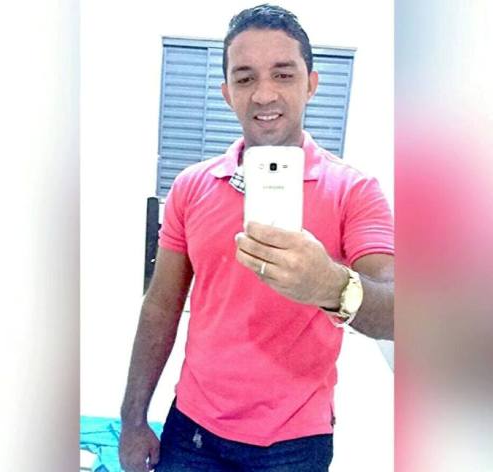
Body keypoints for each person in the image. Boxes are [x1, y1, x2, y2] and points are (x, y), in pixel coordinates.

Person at [119, 4, 394, 471]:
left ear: (311, 84)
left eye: (283, 75)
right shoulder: (191, 186)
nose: (264, 94)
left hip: (296, 442)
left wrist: (332, 287)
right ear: (227, 93)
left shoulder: (354, 190)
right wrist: (132, 418)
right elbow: (160, 305)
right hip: (194, 430)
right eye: (245, 78)